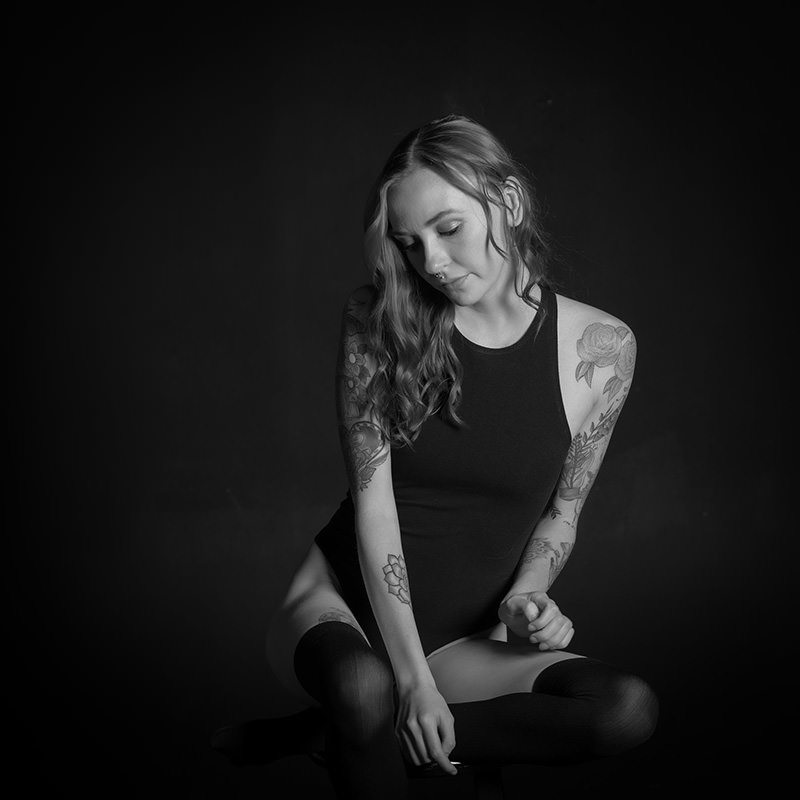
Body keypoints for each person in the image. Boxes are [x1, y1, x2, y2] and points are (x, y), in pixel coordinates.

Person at [212, 114, 658, 798]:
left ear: (507, 203)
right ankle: (359, 716)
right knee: (365, 688)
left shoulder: (604, 349)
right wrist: (410, 681)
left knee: (624, 709)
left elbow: (562, 513)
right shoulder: (376, 324)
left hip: (465, 642)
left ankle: (329, 734)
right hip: (342, 611)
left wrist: (527, 594)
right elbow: (375, 509)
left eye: (448, 229)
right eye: (410, 244)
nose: (435, 263)